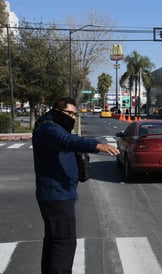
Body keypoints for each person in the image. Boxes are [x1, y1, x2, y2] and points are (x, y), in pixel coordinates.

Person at [32, 97, 119, 274]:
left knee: (54, 241)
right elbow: (68, 142)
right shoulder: (50, 129)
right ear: (57, 111)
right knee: (64, 243)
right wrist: (96, 145)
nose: (72, 117)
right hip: (57, 195)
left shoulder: (52, 126)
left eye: (74, 114)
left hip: (59, 192)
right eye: (69, 113)